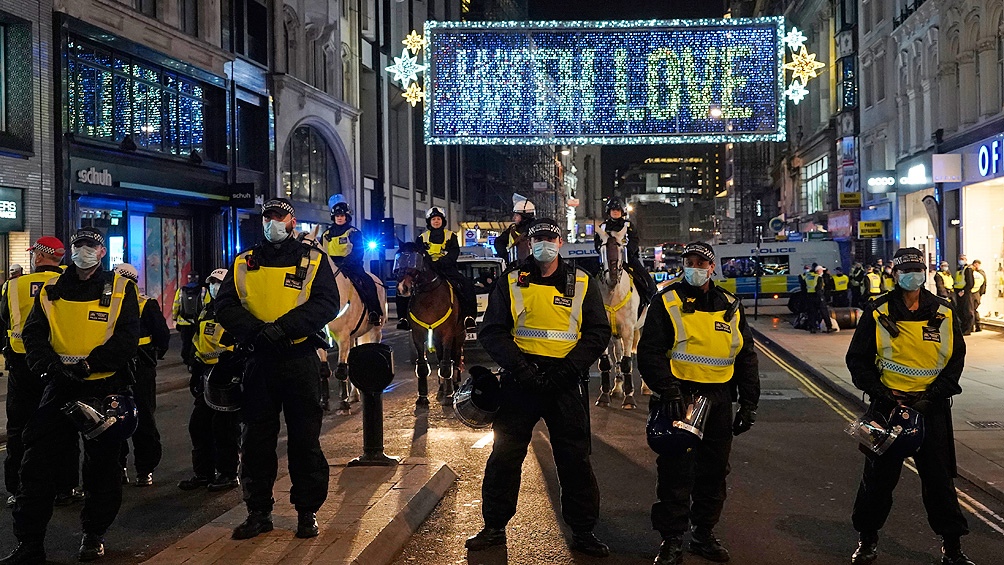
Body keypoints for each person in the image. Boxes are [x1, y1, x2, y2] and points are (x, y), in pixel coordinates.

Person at [468, 218, 612, 557]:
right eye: (537, 239)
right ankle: (494, 527)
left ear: (560, 243)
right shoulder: (511, 281)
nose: (543, 244)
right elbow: (493, 331)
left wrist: (567, 371)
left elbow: (597, 333)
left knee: (575, 459)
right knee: (504, 456)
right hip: (522, 380)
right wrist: (522, 369)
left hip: (565, 382)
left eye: (549, 238)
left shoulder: (582, 281)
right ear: (529, 244)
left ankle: (583, 531)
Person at [0, 227, 140, 564]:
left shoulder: (121, 288)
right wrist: (49, 367)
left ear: (102, 252)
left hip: (102, 387)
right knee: (36, 464)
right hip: (60, 386)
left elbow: (126, 340)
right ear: (71, 250)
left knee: (102, 468)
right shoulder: (50, 289)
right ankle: (30, 544)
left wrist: (89, 365)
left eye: (91, 246)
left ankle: (93, 534)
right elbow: (33, 333)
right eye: (78, 245)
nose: (84, 251)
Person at [215, 198, 340, 541]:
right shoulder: (243, 261)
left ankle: (306, 512)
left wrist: (284, 328)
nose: (273, 223)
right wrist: (257, 332)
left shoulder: (313, 259)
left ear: (291, 221)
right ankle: (258, 512)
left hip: (299, 359)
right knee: (255, 442)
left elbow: (327, 303)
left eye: (279, 217)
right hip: (259, 361)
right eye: (268, 217)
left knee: (305, 441)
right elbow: (223, 304)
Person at [845, 247, 975, 565]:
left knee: (940, 482)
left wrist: (932, 396)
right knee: (877, 482)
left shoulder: (943, 312)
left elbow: (955, 361)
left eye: (917, 269)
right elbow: (857, 360)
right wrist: (880, 392)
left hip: (931, 410)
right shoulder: (878, 312)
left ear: (924, 273)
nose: (911, 275)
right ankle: (867, 541)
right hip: (888, 409)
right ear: (895, 274)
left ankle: (953, 547)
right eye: (905, 270)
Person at [637, 241, 760, 565]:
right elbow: (649, 352)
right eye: (689, 262)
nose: (695, 267)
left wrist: (749, 403)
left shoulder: (731, 305)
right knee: (676, 471)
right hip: (680, 398)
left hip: (719, 401)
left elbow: (746, 357)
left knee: (714, 472)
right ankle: (672, 540)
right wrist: (668, 390)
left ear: (712, 267)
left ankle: (703, 534)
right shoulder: (667, 301)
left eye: (701, 262)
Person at [0, 237, 82, 509]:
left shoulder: (13, 285)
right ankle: (65, 487)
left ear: (38, 256)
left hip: (22, 366)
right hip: (60, 365)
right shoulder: (71, 283)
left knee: (19, 428)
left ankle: (18, 488)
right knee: (63, 427)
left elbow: (3, 319)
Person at [178, 269, 241, 493]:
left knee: (224, 428)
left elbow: (242, 340)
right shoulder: (207, 310)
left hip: (227, 376)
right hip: (207, 375)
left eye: (218, 283)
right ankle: (203, 473)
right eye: (212, 283)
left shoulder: (236, 309)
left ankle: (228, 473)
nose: (214, 287)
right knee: (199, 425)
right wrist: (195, 368)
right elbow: (198, 341)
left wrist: (232, 364)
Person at [114, 264, 170, 487]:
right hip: (132, 367)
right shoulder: (141, 303)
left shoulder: (143, 304)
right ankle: (138, 469)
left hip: (133, 367)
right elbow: (162, 337)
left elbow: (161, 335)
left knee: (129, 416)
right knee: (132, 416)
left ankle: (135, 468)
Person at [417, 206, 477, 332]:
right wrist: (429, 263)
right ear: (429, 222)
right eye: (433, 219)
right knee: (407, 286)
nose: (436, 221)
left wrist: (441, 263)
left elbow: (454, 253)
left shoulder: (451, 236)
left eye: (438, 219)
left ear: (442, 221)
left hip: (447, 269)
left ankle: (469, 317)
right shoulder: (422, 237)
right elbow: (419, 253)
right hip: (427, 270)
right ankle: (404, 318)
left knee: (466, 285)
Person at [321, 201, 381, 326]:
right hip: (330, 267)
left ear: (347, 217)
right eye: (337, 216)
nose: (339, 218)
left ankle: (374, 312)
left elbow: (359, 251)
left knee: (368, 282)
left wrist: (347, 262)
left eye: (342, 215)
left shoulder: (353, 232)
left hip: (351, 266)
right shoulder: (326, 234)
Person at [593, 197, 659, 308]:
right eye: (613, 210)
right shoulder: (603, 226)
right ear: (609, 211)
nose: (615, 212)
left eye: (617, 210)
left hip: (628, 259)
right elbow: (597, 242)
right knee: (591, 278)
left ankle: (650, 302)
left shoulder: (628, 226)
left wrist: (626, 253)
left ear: (622, 212)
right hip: (606, 259)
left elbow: (634, 240)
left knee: (647, 281)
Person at [173, 271, 207, 366]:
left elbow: (176, 305)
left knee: (186, 342)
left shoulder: (181, 290)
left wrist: (174, 318)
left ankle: (186, 358)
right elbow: (206, 305)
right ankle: (194, 358)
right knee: (196, 341)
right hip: (197, 322)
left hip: (183, 322)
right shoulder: (203, 290)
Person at [494, 194, 535, 265]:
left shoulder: (536, 229)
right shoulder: (512, 229)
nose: (514, 218)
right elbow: (499, 242)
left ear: (524, 216)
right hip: (515, 269)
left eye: (517, 215)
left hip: (532, 269)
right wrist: (507, 257)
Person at [953, 255, 974, 335]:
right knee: (960, 311)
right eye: (960, 259)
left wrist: (964, 291)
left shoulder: (968, 269)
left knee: (967, 312)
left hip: (965, 293)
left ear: (966, 260)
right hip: (958, 293)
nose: (961, 260)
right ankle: (963, 328)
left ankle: (968, 329)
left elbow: (970, 283)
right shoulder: (959, 269)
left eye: (962, 259)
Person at [970, 260, 987, 332]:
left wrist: (981, 293)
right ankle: (977, 326)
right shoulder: (980, 273)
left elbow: (984, 284)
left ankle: (975, 326)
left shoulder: (979, 273)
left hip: (975, 293)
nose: (976, 266)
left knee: (972, 310)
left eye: (977, 264)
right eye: (975, 264)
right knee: (973, 310)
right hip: (976, 293)